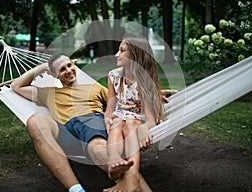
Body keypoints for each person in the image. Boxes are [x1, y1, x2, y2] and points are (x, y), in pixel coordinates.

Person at [11, 52, 160, 192]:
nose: (69, 70)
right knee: (34, 121)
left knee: (99, 150)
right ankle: (76, 189)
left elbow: (124, 97)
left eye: (70, 65)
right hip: (66, 131)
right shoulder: (48, 93)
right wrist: (44, 67)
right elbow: (16, 86)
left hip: (92, 122)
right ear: (55, 75)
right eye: (62, 69)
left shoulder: (93, 88)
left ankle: (130, 180)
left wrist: (155, 94)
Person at [103, 35, 169, 192]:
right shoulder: (113, 76)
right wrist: (107, 119)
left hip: (137, 118)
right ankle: (113, 164)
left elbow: (151, 120)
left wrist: (144, 128)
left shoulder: (144, 80)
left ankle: (132, 175)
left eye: (122, 51)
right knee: (116, 122)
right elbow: (110, 109)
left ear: (135, 55)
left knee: (132, 124)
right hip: (120, 116)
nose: (116, 54)